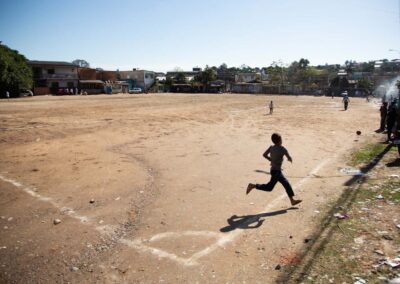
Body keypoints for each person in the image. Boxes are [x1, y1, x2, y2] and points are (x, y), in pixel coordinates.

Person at [246, 133, 302, 206]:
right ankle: (253, 186)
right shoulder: (282, 149)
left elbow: (264, 155)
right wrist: (289, 159)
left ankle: (292, 200)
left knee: (286, 184)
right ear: (280, 140)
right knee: (269, 187)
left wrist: (271, 159)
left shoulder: (271, 147)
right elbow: (289, 157)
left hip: (274, 170)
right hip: (277, 172)